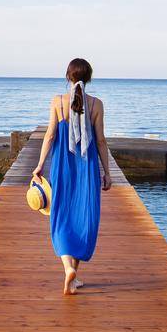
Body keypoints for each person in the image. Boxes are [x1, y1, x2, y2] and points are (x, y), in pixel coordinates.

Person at [32, 57, 111, 295]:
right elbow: (100, 141)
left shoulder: (58, 102)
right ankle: (74, 274)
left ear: (68, 76)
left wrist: (39, 166)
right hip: (87, 168)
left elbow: (49, 136)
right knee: (83, 216)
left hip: (62, 166)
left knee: (62, 215)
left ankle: (68, 270)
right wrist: (107, 171)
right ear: (89, 78)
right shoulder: (96, 104)